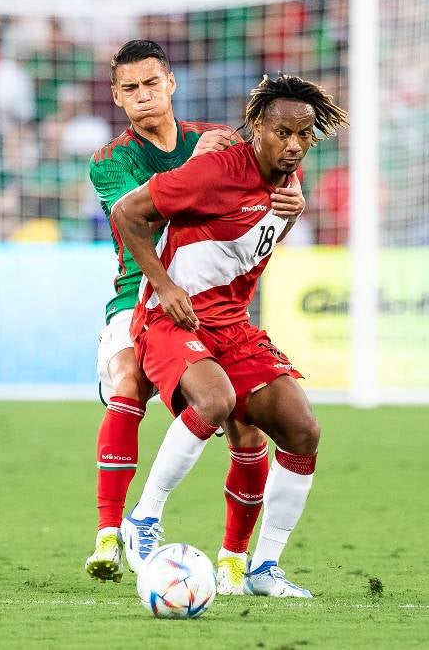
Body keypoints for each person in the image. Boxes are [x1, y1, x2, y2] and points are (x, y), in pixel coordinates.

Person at [111, 74, 348, 597]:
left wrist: (292, 217)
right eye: (283, 132)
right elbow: (126, 212)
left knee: (302, 429)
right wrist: (163, 284)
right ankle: (143, 520)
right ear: (258, 126)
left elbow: (250, 242)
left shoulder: (288, 180)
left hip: (232, 327)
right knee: (215, 399)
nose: (293, 145)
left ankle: (263, 569)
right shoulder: (217, 171)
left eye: (303, 136)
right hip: (173, 319)